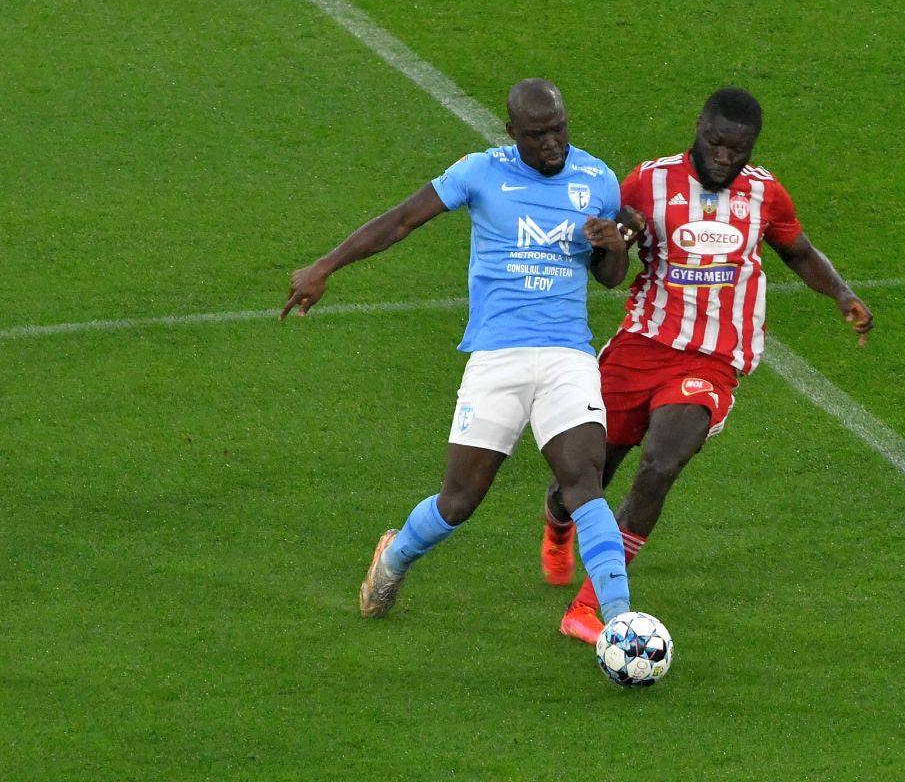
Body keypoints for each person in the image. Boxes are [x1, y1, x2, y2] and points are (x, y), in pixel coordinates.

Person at [281, 78, 641, 626]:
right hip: (498, 357)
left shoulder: (597, 178)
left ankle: (619, 619)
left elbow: (611, 279)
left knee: (584, 480)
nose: (554, 145)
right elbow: (401, 220)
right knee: (459, 501)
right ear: (511, 132)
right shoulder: (480, 172)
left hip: (568, 354)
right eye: (538, 135)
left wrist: (614, 247)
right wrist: (326, 265)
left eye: (560, 130)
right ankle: (394, 556)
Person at [541, 87, 874, 644]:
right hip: (641, 346)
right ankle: (558, 523)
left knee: (661, 464)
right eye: (716, 143)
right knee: (589, 476)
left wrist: (841, 295)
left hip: (714, 359)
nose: (724, 157)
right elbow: (610, 255)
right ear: (697, 127)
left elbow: (797, 250)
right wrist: (618, 238)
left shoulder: (765, 194)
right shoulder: (648, 182)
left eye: (737, 149)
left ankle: (589, 604)